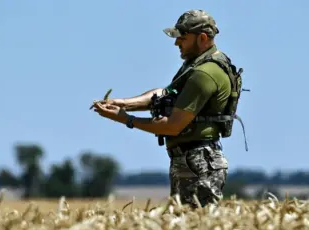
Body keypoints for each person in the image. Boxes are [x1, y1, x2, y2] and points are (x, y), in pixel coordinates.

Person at [92, 9, 246, 208]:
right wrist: (123, 103)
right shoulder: (196, 64)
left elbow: (172, 126)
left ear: (202, 38)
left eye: (182, 38)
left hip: (198, 162)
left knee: (193, 229)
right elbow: (166, 93)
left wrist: (126, 119)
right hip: (192, 159)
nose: (176, 43)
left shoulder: (205, 73)